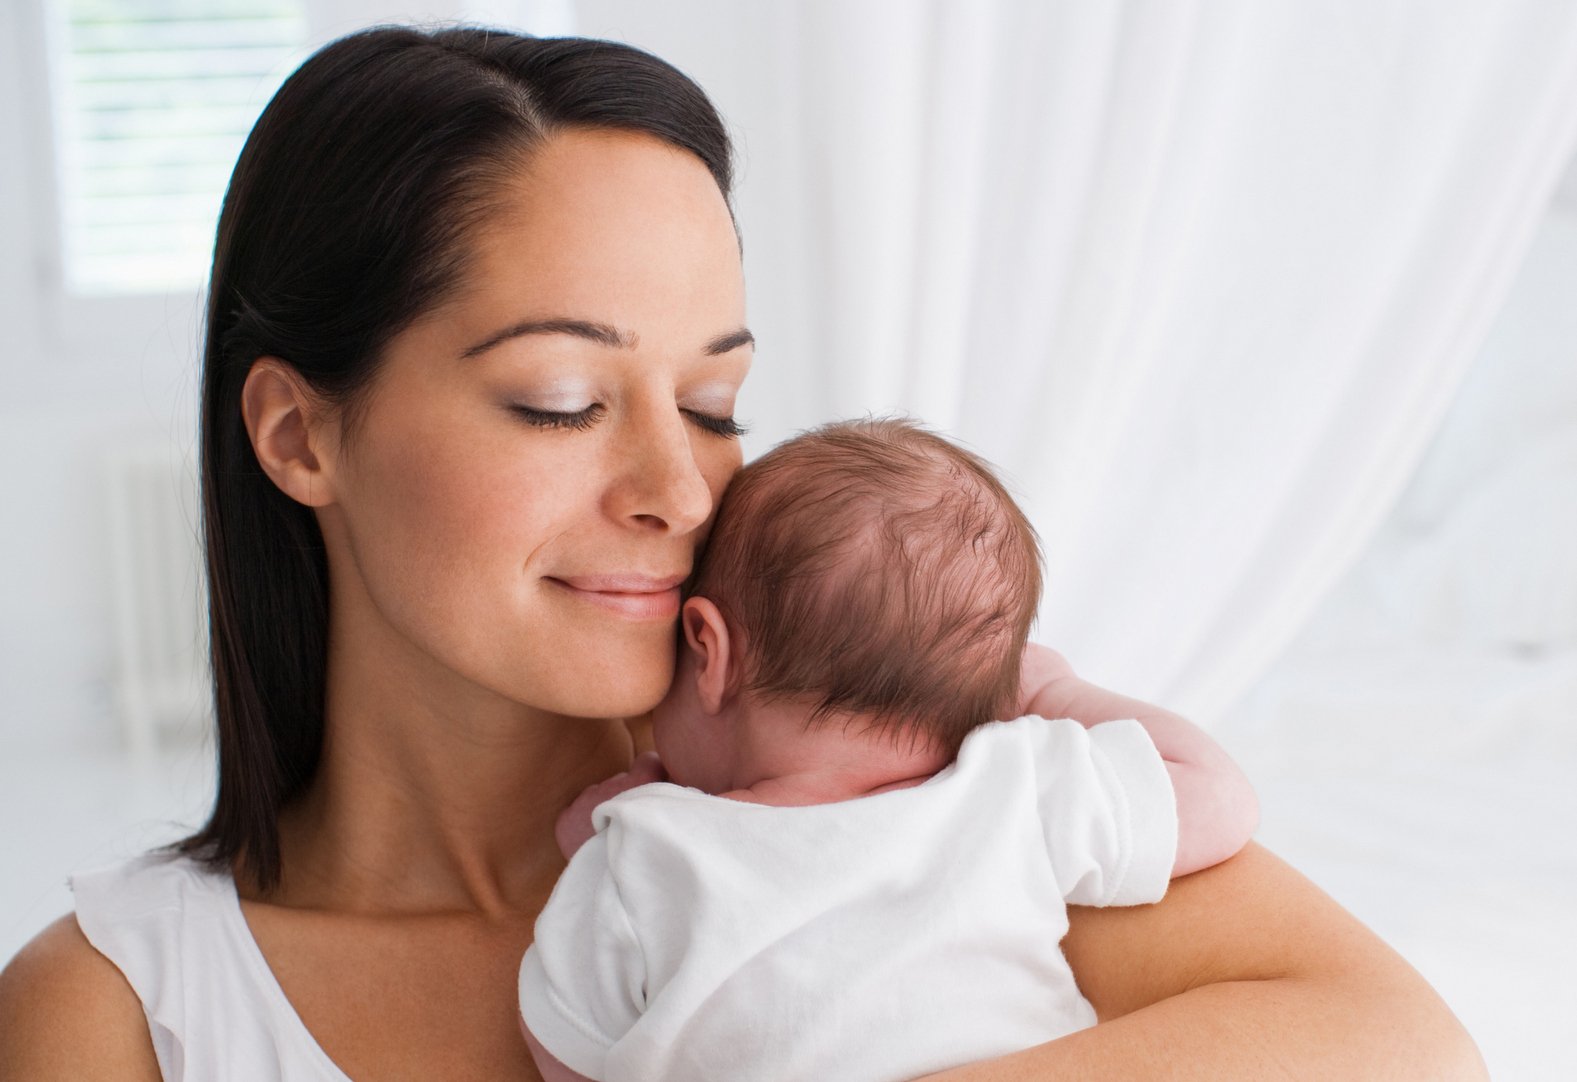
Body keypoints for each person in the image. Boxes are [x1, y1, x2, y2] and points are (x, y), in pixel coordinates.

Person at [0, 26, 1487, 1082]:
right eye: (561, 399)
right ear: (300, 434)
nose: (681, 487)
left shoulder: (899, 772)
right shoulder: (118, 1010)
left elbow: (1406, 1049)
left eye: (715, 406)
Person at [521, 417, 1261, 1081]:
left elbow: (565, 1047)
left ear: (708, 650)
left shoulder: (643, 854)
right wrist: (1054, 692)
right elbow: (1218, 798)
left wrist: (599, 851)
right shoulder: (1009, 790)